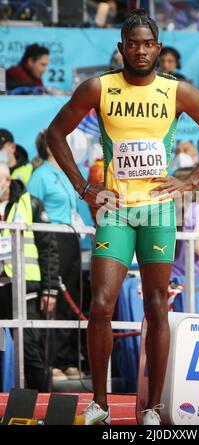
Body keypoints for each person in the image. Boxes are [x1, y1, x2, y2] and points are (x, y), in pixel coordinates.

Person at [46, 9, 199, 425]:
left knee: (156, 307)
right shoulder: (99, 87)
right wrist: (84, 188)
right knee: (100, 305)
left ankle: (152, 408)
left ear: (159, 48)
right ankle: (99, 403)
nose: (141, 50)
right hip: (114, 208)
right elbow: (55, 133)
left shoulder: (176, 92)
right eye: (133, 43)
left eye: (148, 43)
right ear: (121, 48)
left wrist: (191, 181)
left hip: (159, 210)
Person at [28, 130, 82, 382]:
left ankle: (68, 358)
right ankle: (51, 361)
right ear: (51, 146)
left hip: (72, 237)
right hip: (52, 238)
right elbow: (31, 210)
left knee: (73, 297)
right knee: (55, 300)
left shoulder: (66, 173)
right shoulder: (40, 175)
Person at [0, 162, 60, 391]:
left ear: (8, 181)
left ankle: (42, 399)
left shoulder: (30, 203)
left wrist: (50, 288)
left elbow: (49, 249)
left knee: (29, 347)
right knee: (0, 348)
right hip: (1, 288)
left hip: (27, 286)